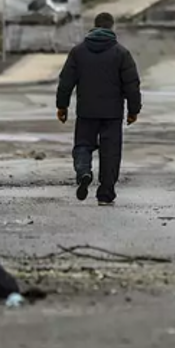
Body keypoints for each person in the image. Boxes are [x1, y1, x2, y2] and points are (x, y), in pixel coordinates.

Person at [56, 11, 142, 205]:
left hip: (86, 112)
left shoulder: (78, 52)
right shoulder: (121, 53)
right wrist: (133, 110)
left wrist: (62, 106)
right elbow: (132, 84)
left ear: (94, 26)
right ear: (112, 28)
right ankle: (105, 193)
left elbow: (65, 82)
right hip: (112, 114)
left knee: (83, 146)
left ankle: (84, 172)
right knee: (110, 152)